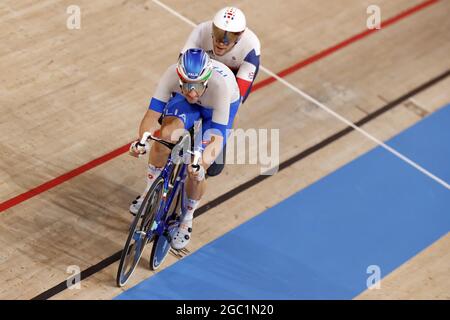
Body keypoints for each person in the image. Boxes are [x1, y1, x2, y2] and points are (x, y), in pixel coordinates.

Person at [129, 48, 240, 250]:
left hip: (215, 109)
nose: (191, 92)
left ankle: (187, 218)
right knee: (165, 135)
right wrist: (142, 140)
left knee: (197, 171)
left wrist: (201, 164)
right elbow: (152, 115)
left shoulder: (221, 87)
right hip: (189, 106)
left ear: (206, 79)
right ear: (180, 76)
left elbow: (215, 136)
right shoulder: (172, 75)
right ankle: (148, 192)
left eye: (197, 85)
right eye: (186, 84)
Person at [181, 7, 261, 176]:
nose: (221, 42)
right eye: (217, 34)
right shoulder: (201, 31)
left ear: (239, 37)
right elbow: (182, 69)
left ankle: (218, 143)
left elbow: (237, 97)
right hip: (199, 72)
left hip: (230, 82)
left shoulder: (250, 47)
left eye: (229, 39)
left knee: (230, 111)